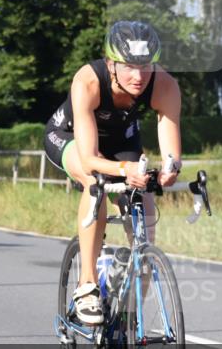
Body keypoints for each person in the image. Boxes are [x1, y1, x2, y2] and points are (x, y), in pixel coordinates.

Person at [44, 21, 183, 325]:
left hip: (122, 140)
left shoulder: (165, 86)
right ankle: (87, 286)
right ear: (110, 63)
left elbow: (171, 152)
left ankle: (132, 316)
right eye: (128, 66)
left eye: (145, 66)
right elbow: (90, 158)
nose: (138, 76)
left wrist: (168, 171)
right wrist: (124, 169)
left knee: (143, 208)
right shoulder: (88, 81)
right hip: (69, 138)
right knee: (96, 182)